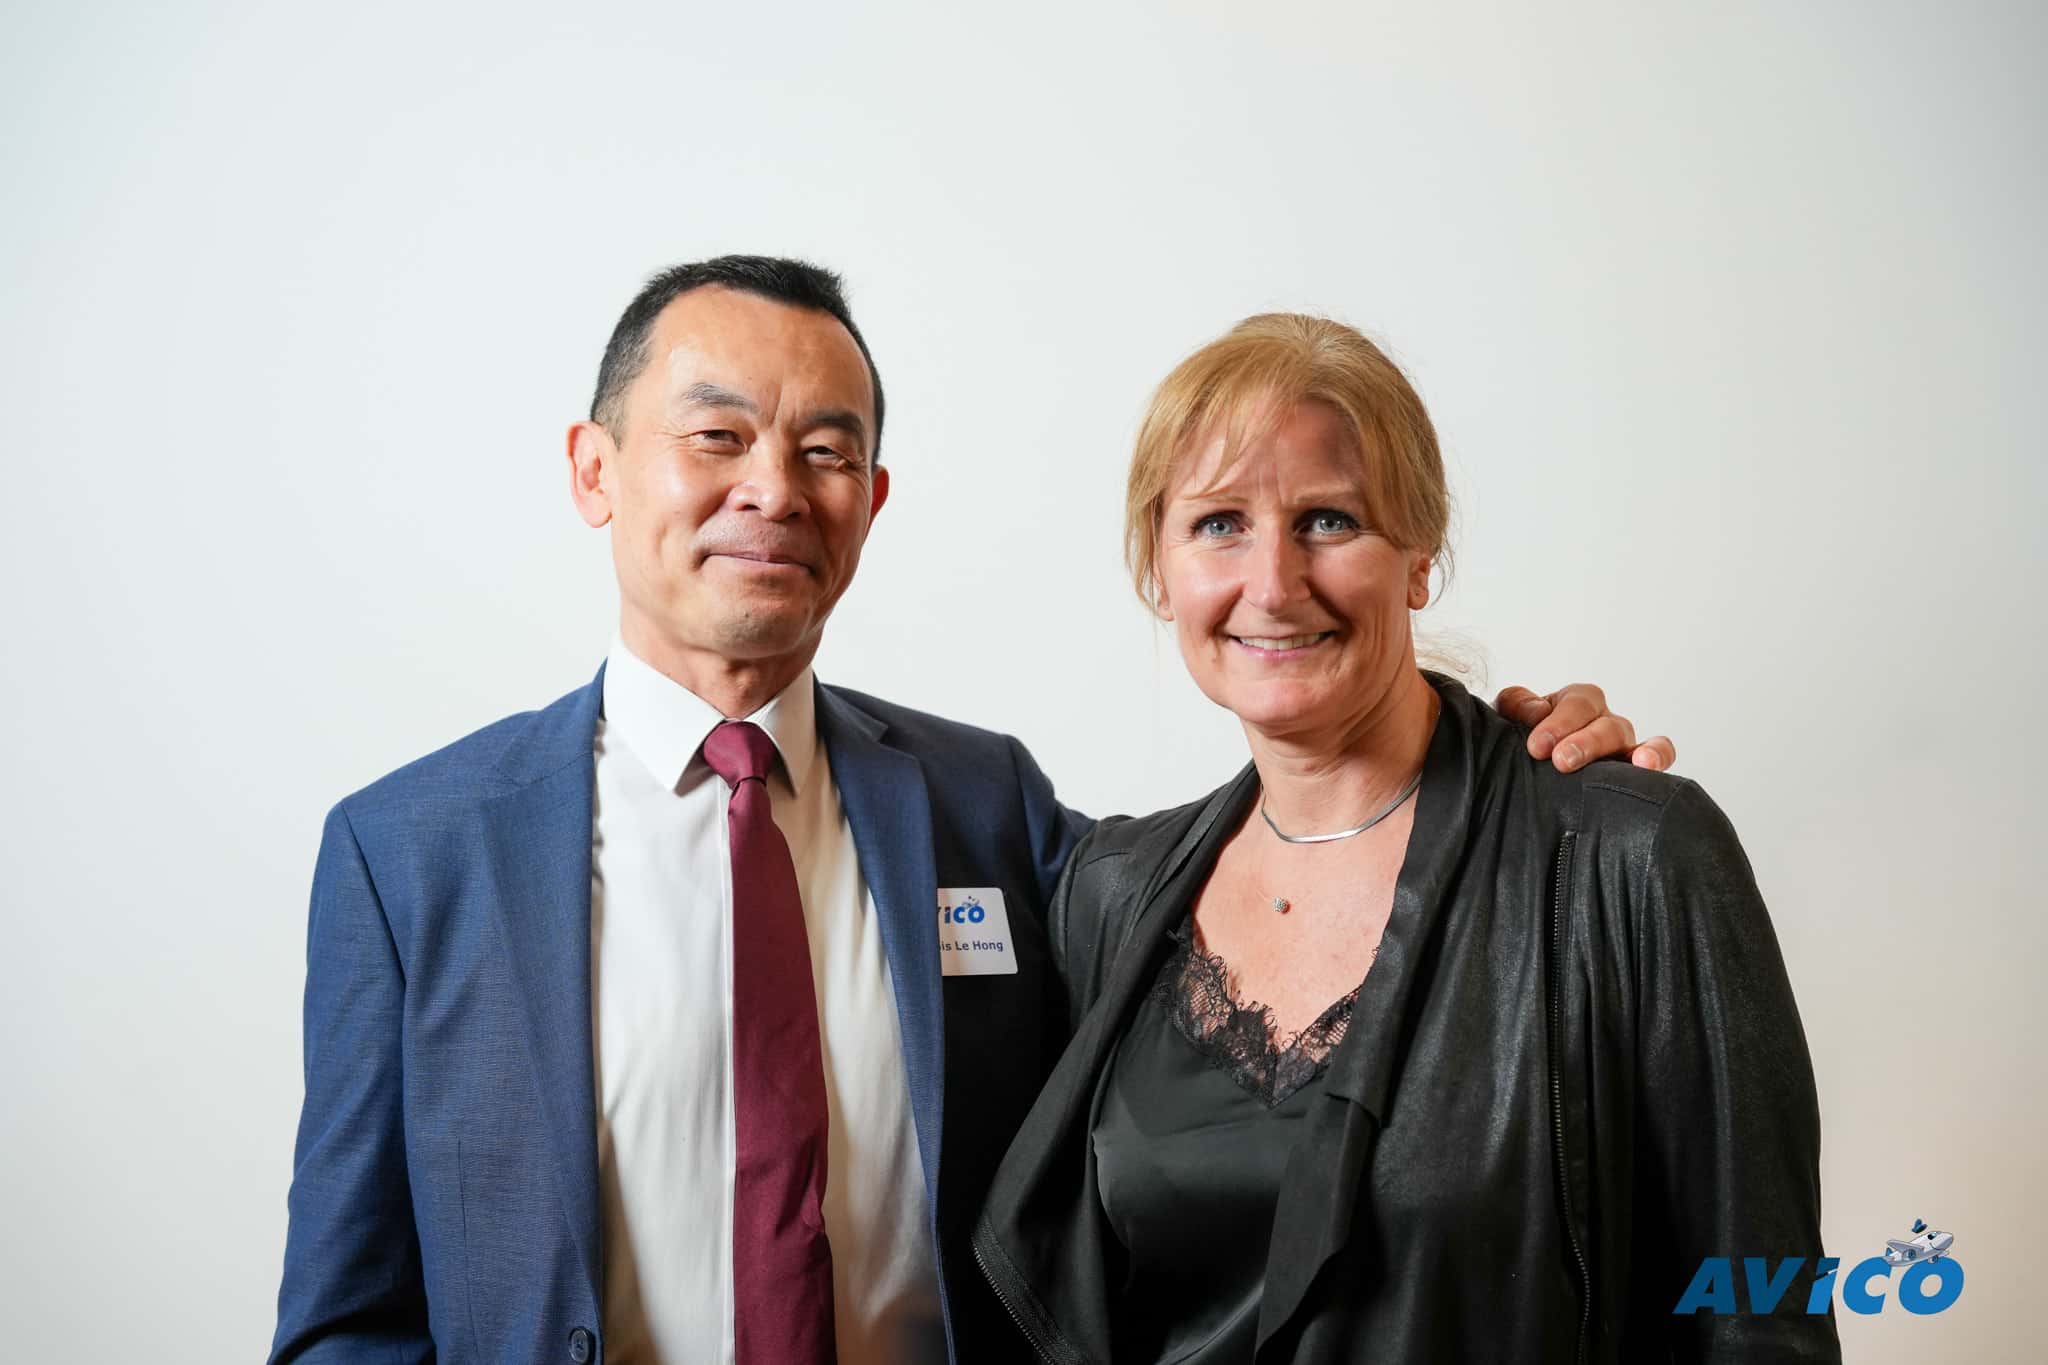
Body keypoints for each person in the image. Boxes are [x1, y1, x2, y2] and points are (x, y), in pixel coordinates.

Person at [268, 257, 1666, 1365]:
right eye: (717, 436)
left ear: (871, 502)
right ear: (594, 469)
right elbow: (348, 1317)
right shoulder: (412, 855)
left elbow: (1267, 903)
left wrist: (1494, 756)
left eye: (827, 451)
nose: (773, 489)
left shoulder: (983, 807)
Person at [974, 314, 1834, 1363]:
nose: (1273, 584)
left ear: (1419, 558)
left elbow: (1762, 1304)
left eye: (1328, 520)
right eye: (1218, 523)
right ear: (1159, 570)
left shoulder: (1629, 859)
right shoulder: (1108, 893)